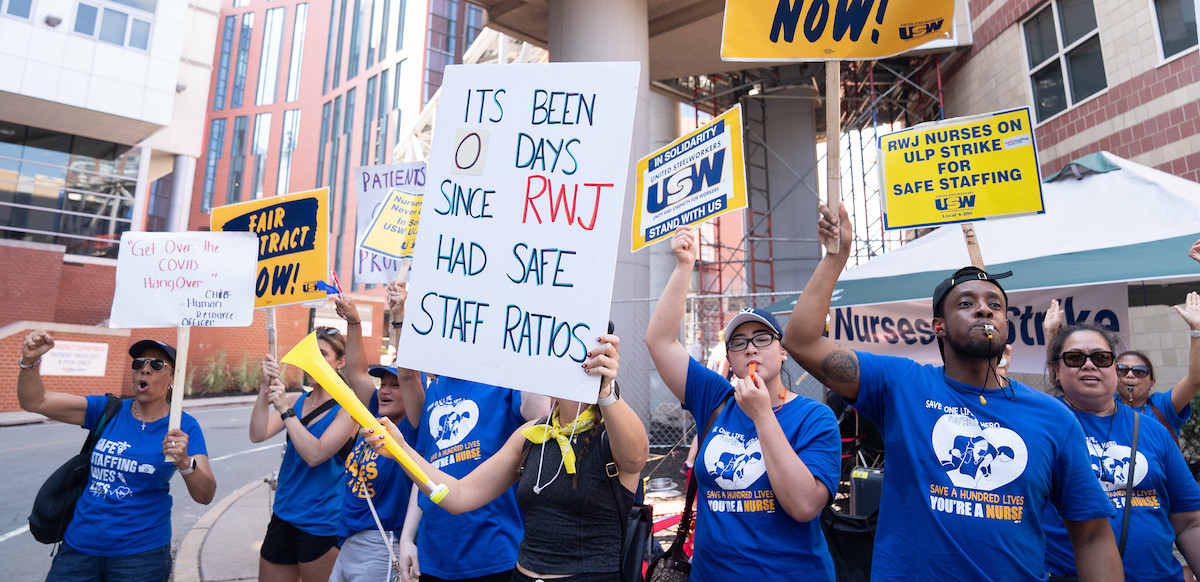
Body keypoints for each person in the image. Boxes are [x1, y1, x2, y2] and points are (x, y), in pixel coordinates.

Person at [781, 203, 1121, 580]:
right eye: (966, 303)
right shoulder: (901, 385)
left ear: (1007, 324)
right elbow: (801, 339)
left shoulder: (1053, 417)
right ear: (938, 326)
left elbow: (1091, 536)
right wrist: (836, 257)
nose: (984, 310)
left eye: (995, 304)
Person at [644, 225, 841, 581]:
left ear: (782, 353)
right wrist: (684, 266)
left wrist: (763, 416)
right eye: (739, 342)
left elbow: (803, 506)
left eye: (762, 339)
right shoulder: (715, 398)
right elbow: (659, 341)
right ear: (730, 361)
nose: (750, 348)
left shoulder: (815, 417)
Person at [365, 333, 647, 582]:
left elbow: (635, 458)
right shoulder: (532, 434)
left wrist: (605, 393)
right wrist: (401, 450)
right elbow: (459, 496)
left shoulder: (611, 431)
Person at [18, 333, 216, 581]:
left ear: (173, 378)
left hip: (141, 557)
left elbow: (205, 494)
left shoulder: (184, 426)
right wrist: (30, 362)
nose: (144, 370)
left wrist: (186, 463)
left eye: (156, 365)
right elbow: (36, 401)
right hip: (79, 548)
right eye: (138, 363)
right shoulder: (107, 410)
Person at [1041, 322, 1200, 581]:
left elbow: (1190, 521)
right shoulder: (1040, 428)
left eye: (1101, 358)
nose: (1089, 365)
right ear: (1056, 371)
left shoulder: (1154, 430)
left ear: (1114, 369)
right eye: (1075, 358)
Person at [396, 330, 551, 582]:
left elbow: (540, 414)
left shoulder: (504, 378)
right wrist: (407, 538)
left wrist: (524, 352)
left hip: (493, 552)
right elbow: (424, 468)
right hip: (433, 553)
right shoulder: (435, 388)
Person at [250, 296, 364, 582]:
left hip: (321, 523)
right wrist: (265, 391)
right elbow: (257, 434)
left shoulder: (348, 407)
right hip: (284, 514)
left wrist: (286, 412)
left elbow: (316, 455)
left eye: (322, 354)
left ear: (340, 361)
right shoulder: (300, 401)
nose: (313, 361)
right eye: (310, 353)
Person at [330, 289, 425, 582]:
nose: (384, 390)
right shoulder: (372, 414)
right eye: (382, 383)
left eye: (394, 385)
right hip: (349, 539)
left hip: (383, 545)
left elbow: (411, 377)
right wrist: (355, 322)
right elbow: (357, 373)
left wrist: (399, 318)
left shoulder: (412, 426)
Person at [1046, 292, 1200, 441]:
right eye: (1122, 370)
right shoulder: (1102, 404)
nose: (1130, 375)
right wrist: (1051, 333)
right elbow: (1062, 377)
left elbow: (1195, 380)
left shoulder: (1163, 405)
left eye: (1140, 372)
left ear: (1152, 382)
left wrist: (1197, 329)